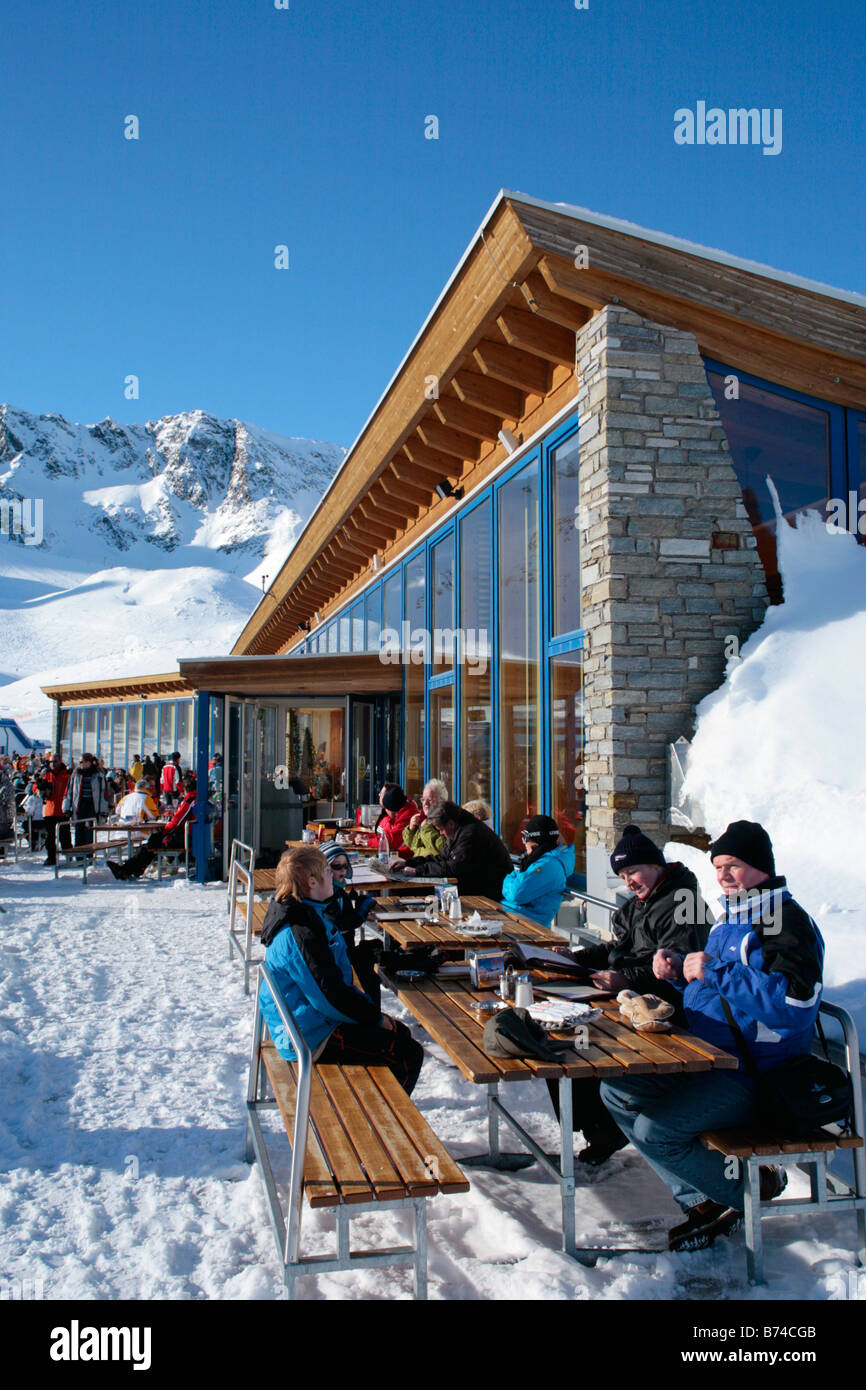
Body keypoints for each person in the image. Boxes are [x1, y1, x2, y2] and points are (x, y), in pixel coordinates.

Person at [600, 820, 823, 1251]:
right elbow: (723, 994)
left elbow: (794, 1007)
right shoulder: (733, 918)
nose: (722, 875)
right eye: (718, 866)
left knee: (654, 1130)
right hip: (708, 1060)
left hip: (758, 1078)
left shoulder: (783, 920)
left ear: (760, 866)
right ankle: (704, 1196)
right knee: (616, 1089)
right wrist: (681, 975)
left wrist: (713, 970)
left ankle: (748, 1192)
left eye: (733, 866)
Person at [546, 823, 709, 1166]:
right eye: (622, 875)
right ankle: (597, 1126)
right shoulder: (641, 903)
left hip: (666, 1012)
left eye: (633, 870)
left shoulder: (683, 902)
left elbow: (674, 970)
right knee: (556, 1031)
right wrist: (574, 959)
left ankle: (603, 1128)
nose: (628, 881)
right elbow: (617, 948)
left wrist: (624, 978)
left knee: (578, 1041)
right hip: (631, 998)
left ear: (656, 865)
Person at [258, 847, 423, 1094]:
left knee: (400, 1033)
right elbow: (329, 996)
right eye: (328, 871)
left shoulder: (303, 912)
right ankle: (384, 1122)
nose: (336, 877)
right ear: (312, 882)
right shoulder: (302, 930)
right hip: (311, 1036)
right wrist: (375, 1018)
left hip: (305, 1023)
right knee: (408, 1053)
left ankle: (379, 1105)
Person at [401, 800, 514, 899]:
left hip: (489, 891)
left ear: (450, 824)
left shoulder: (470, 834)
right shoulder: (458, 828)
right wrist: (410, 863)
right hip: (477, 884)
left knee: (420, 894)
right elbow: (442, 857)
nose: (441, 833)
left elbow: (455, 867)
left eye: (441, 829)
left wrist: (419, 870)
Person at [107, 776, 196, 879]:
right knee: (153, 842)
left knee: (153, 842)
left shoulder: (189, 801)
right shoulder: (195, 799)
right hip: (190, 836)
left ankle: (127, 870)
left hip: (186, 837)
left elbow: (176, 821)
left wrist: (164, 830)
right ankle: (133, 868)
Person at [501, 815, 574, 928]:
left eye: (525, 837)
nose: (524, 843)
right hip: (515, 916)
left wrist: (509, 879)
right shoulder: (541, 860)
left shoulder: (548, 865)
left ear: (536, 840)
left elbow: (516, 893)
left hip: (526, 923)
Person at [354, 784, 418, 857]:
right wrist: (367, 837)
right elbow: (382, 834)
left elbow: (391, 840)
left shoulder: (408, 815)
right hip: (391, 855)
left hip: (404, 859)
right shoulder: (392, 812)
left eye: (381, 794)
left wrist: (368, 842)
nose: (379, 795)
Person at [62, 752, 109, 847]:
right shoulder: (76, 774)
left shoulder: (98, 774)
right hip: (79, 804)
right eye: (79, 762)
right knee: (79, 829)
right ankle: (79, 854)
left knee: (89, 829)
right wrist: (66, 807)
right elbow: (69, 791)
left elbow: (103, 793)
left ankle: (89, 853)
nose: (80, 764)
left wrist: (103, 810)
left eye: (82, 762)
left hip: (92, 804)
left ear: (89, 762)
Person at [36, 754, 70, 866]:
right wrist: (41, 789)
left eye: (55, 761)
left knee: (65, 836)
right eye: (51, 762)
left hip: (62, 809)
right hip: (50, 809)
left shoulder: (66, 774)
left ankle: (68, 857)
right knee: (49, 837)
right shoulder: (46, 774)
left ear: (60, 761)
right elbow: (35, 787)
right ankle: (51, 858)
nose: (53, 764)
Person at [402, 779, 448, 859]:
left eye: (429, 800)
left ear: (442, 801)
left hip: (433, 867)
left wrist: (426, 827)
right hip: (419, 864)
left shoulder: (447, 820)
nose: (425, 804)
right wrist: (411, 829)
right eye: (423, 799)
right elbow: (414, 846)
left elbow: (441, 848)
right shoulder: (422, 818)